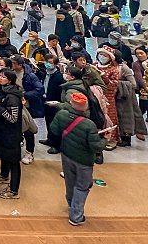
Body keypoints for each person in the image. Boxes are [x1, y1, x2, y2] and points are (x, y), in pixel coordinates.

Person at [50, 92, 106, 226]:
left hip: (66, 154)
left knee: (70, 182)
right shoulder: (89, 124)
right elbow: (96, 147)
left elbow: (54, 130)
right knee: (82, 186)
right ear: (85, 107)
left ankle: (71, 204)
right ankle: (76, 215)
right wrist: (104, 139)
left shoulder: (61, 115)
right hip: (84, 160)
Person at [0, 68, 24, 199]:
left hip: (11, 135)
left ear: (9, 80)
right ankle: (4, 175)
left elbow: (13, 118)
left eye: (3, 76)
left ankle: (13, 190)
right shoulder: (1, 90)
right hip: (1, 131)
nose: (0, 77)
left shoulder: (13, 97)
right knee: (3, 155)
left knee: (14, 162)